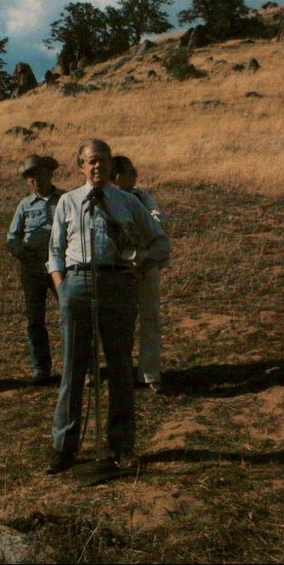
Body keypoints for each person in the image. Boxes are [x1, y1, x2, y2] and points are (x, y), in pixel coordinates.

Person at [45, 138, 170, 475]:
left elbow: (160, 241)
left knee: (119, 367)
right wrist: (63, 287)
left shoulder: (127, 202)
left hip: (118, 286)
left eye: (103, 161)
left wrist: (140, 265)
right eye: (91, 161)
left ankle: (122, 446)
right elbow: (54, 252)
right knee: (74, 367)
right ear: (81, 166)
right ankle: (64, 448)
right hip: (77, 284)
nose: (98, 166)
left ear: (112, 165)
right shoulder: (68, 203)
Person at [110, 155, 167, 393]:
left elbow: (157, 218)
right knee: (119, 322)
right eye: (132, 172)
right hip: (119, 266)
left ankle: (149, 373)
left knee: (150, 318)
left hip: (147, 260)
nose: (136, 176)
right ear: (119, 176)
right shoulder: (108, 199)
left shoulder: (141, 195)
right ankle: (120, 373)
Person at [7, 154, 65, 384]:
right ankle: (41, 368)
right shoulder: (24, 205)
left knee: (70, 314)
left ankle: (78, 365)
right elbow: (13, 236)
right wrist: (22, 254)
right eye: (30, 177)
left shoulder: (65, 199)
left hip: (61, 264)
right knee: (35, 318)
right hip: (33, 265)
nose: (35, 180)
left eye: (39, 174)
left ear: (50, 174)